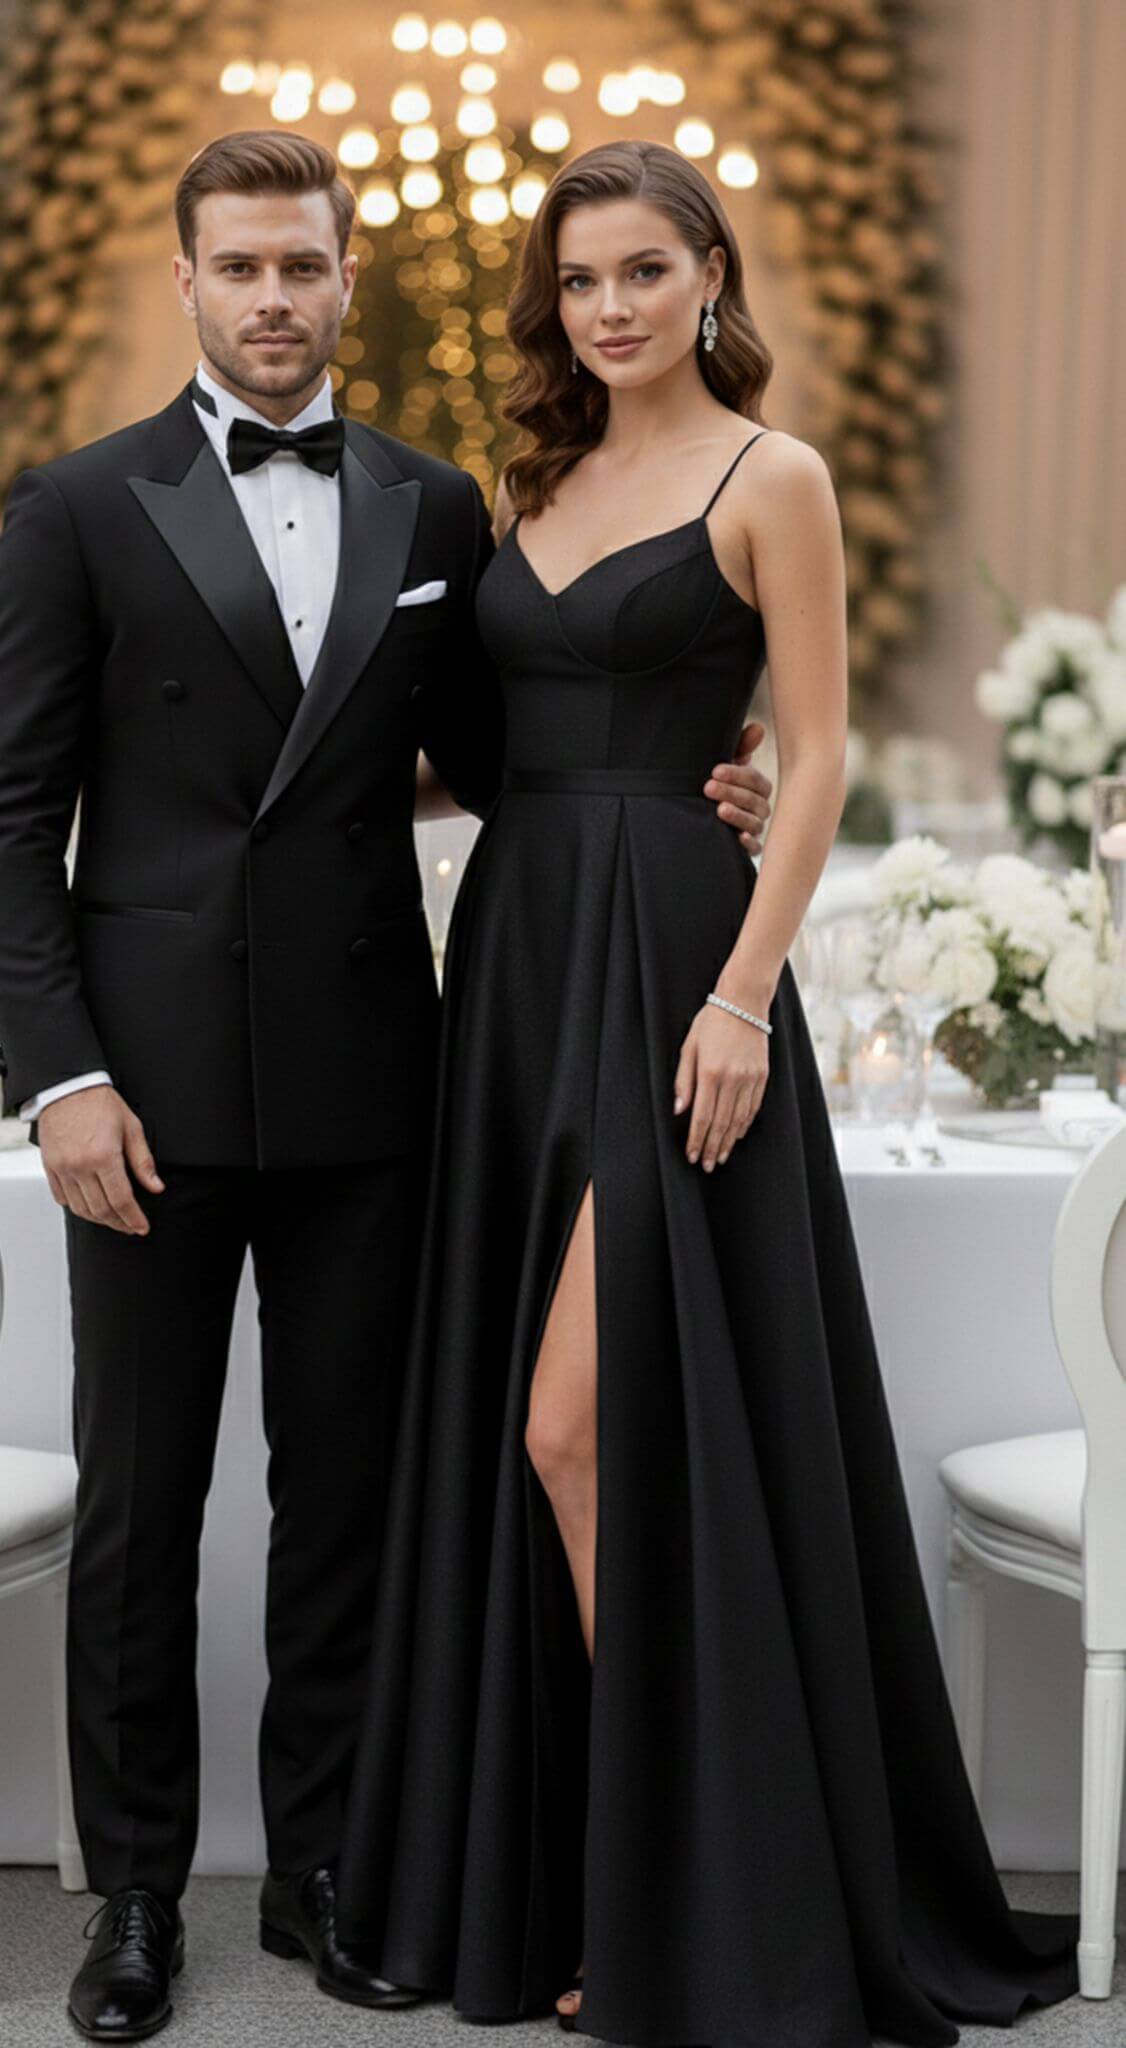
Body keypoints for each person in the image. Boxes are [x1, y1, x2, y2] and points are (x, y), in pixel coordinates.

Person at [0, 130, 775, 2042]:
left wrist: (700, 780)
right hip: (144, 1099)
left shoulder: (430, 505)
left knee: (345, 1499)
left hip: (373, 1080)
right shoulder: (77, 505)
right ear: (185, 279)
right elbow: (5, 819)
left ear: (348, 281)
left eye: (302, 267)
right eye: (239, 266)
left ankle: (318, 1866)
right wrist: (61, 1074)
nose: (273, 298)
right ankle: (136, 1894)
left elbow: (508, 757)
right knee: (142, 1506)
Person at [331, 140, 1081, 2047]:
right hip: (518, 954)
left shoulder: (775, 478)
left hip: (678, 959)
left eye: (643, 271)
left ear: (708, 279)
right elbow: (480, 752)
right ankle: (584, 1881)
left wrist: (743, 992)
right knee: (551, 1428)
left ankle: (696, 1894)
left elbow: (814, 757)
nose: (609, 307)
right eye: (580, 279)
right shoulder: (528, 486)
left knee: (577, 1428)